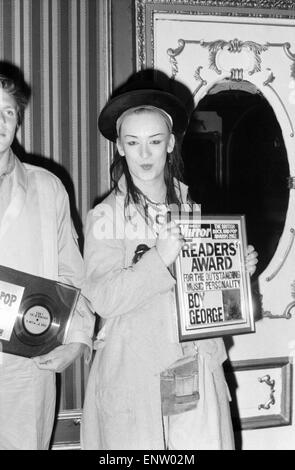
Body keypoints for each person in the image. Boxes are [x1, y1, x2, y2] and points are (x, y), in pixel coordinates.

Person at [81, 76, 258, 450]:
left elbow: (206, 298)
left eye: (155, 141)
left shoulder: (190, 206)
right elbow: (103, 298)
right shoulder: (104, 215)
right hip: (136, 374)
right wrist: (159, 258)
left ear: (171, 143)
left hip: (193, 368)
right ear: (119, 147)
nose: (144, 154)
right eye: (133, 142)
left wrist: (235, 272)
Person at [0, 67, 94, 450]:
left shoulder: (48, 187)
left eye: (7, 111)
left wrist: (77, 340)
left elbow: (72, 272)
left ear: (18, 122)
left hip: (25, 367)